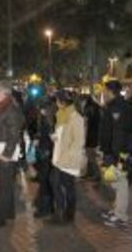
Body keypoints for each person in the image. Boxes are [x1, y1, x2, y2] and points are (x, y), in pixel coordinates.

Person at [0, 80, 25, 229]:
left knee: (4, 187)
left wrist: (7, 154)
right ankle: (9, 213)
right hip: (1, 152)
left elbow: (14, 134)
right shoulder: (3, 107)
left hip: (5, 154)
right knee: (7, 185)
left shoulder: (10, 110)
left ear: (4, 93)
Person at [49, 91, 85, 225]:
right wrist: (55, 138)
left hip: (67, 160)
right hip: (59, 157)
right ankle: (65, 214)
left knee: (61, 185)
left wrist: (66, 158)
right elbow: (63, 135)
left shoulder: (76, 118)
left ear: (63, 102)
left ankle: (64, 215)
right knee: (61, 185)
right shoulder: (61, 115)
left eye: (57, 101)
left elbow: (78, 141)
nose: (56, 104)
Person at [99, 80, 132, 228]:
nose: (103, 94)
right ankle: (117, 209)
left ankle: (121, 215)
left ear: (110, 91)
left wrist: (115, 154)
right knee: (116, 182)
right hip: (113, 151)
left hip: (118, 152)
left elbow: (118, 132)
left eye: (104, 91)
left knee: (121, 183)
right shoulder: (114, 106)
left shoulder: (118, 107)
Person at [33, 100, 55, 218]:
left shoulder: (49, 122)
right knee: (45, 181)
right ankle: (45, 205)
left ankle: (46, 208)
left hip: (46, 154)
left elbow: (51, 139)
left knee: (45, 181)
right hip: (44, 152)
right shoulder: (45, 120)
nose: (40, 111)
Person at [82, 95, 101, 181]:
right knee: (90, 155)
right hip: (96, 134)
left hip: (89, 135)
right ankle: (90, 173)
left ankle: (96, 174)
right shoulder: (97, 108)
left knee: (90, 155)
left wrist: (84, 138)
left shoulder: (88, 110)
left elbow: (85, 125)